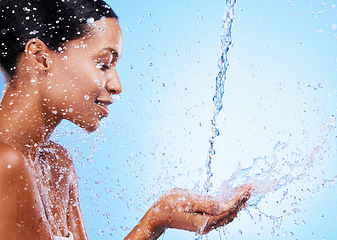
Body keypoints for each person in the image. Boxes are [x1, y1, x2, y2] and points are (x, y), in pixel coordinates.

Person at [0, 0, 252, 239]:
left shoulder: (56, 165)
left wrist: (158, 218)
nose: (117, 85)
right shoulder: (4, 164)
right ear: (40, 57)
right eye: (104, 64)